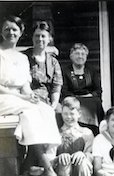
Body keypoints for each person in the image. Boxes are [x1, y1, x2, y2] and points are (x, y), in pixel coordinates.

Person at [0, 15, 61, 176]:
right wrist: (24, 98)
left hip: (17, 98)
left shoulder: (22, 58)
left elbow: (25, 86)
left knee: (46, 110)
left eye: (14, 29)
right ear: (1, 31)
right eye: (7, 29)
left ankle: (41, 160)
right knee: (32, 112)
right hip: (3, 97)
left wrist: (30, 95)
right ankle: (47, 168)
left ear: (20, 32)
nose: (11, 32)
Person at [62, 43, 104, 135]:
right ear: (71, 56)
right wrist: (75, 98)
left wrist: (88, 95)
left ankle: (94, 131)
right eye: (77, 54)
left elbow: (98, 90)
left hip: (90, 100)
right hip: (72, 101)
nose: (80, 56)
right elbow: (64, 90)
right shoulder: (65, 71)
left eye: (83, 54)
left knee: (96, 102)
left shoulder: (91, 70)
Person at [23, 21, 63, 111]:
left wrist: (54, 104)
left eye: (43, 36)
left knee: (60, 111)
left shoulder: (53, 62)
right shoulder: (24, 58)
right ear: (32, 38)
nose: (40, 39)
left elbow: (56, 86)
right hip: (28, 99)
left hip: (47, 101)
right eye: (37, 36)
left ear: (49, 39)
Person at [54, 97, 94, 176]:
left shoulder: (86, 132)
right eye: (65, 114)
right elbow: (50, 157)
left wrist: (84, 154)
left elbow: (91, 154)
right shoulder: (56, 133)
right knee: (64, 163)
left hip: (81, 168)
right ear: (61, 113)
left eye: (72, 114)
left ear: (79, 114)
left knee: (83, 162)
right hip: (62, 170)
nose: (68, 117)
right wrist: (59, 157)